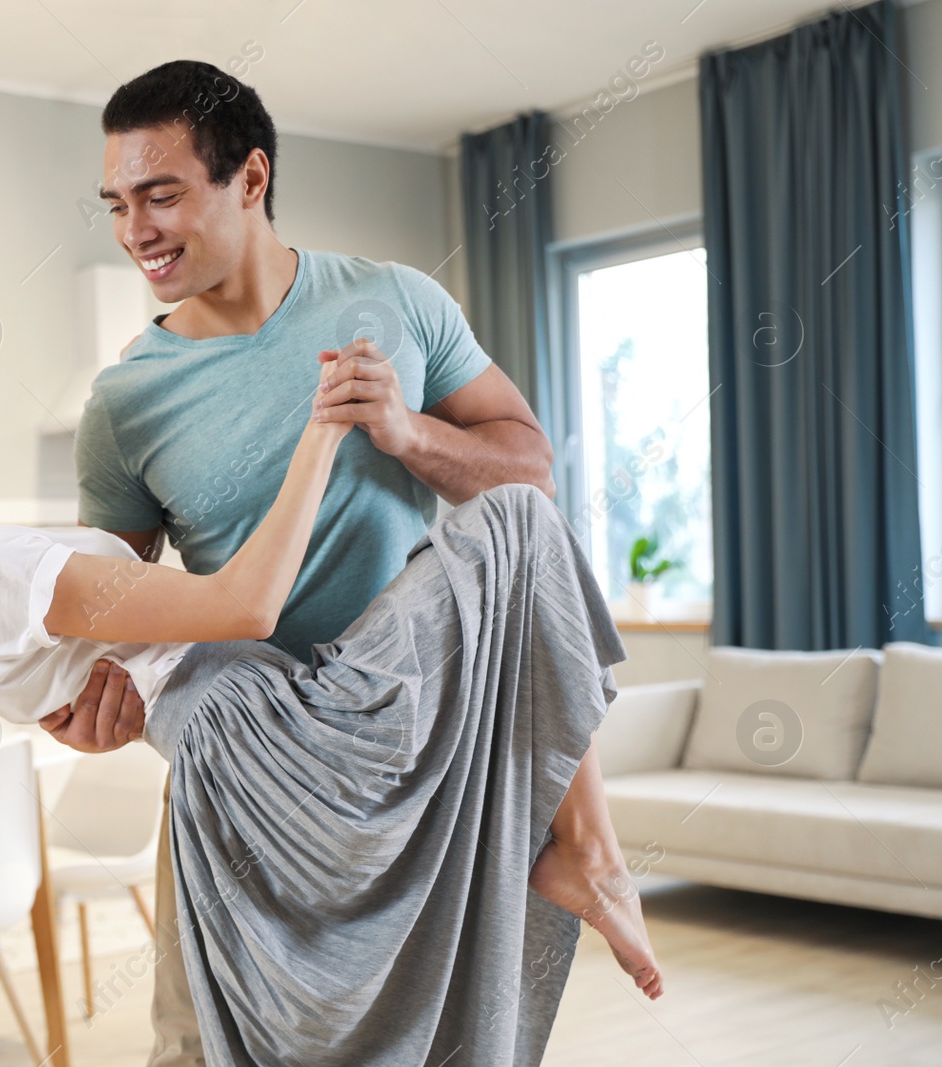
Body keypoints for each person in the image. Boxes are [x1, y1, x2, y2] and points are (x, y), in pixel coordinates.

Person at [0, 305, 662, 1067]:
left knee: (518, 541)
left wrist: (98, 697)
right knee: (516, 516)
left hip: (241, 744)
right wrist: (326, 424)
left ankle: (587, 849)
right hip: (271, 740)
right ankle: (589, 850)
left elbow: (89, 659)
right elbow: (245, 603)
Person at [32, 60, 660, 1066]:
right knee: (196, 1043)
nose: (134, 230)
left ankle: (586, 846)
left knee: (519, 525)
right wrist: (94, 690)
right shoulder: (125, 402)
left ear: (249, 177)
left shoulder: (395, 301)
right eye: (117, 204)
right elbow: (119, 595)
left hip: (411, 721)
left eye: (161, 194)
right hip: (257, 747)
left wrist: (410, 435)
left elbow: (526, 469)